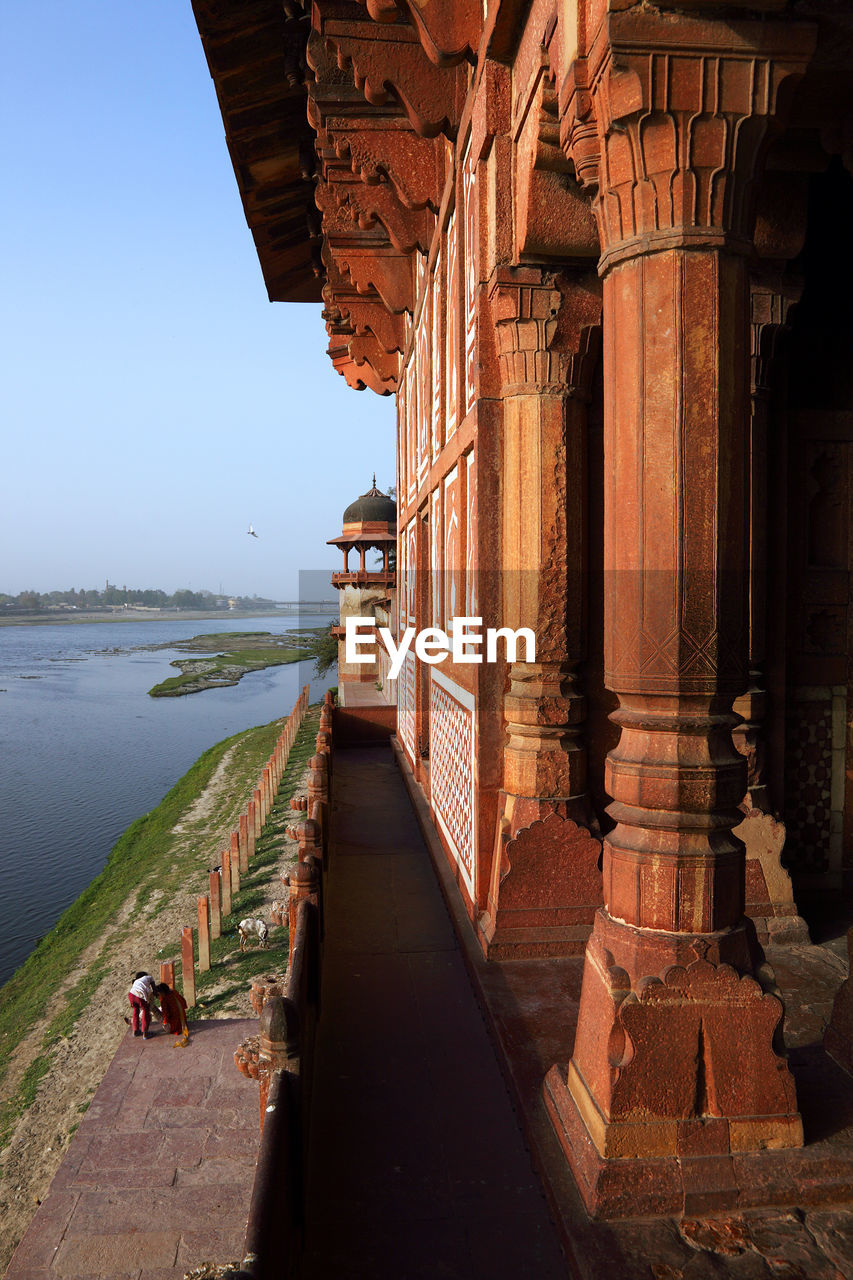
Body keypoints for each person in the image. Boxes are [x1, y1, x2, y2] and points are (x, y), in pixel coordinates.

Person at [155, 981, 189, 1047]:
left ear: (160, 993)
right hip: (182, 1020)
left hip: (175, 1025)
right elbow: (183, 1002)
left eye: (157, 995)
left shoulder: (164, 1000)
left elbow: (165, 1014)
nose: (158, 998)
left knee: (156, 1012)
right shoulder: (174, 993)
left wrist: (165, 1023)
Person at [128, 971, 158, 1039]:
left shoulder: (136, 982)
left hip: (131, 995)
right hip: (139, 996)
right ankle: (145, 1033)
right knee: (145, 1011)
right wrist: (156, 993)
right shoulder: (149, 977)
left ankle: (135, 1031)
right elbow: (153, 990)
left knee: (135, 1010)